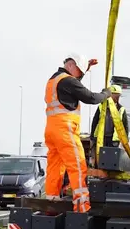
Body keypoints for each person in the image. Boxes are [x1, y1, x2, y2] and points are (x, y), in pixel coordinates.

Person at [44, 53, 111, 212]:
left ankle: (52, 198)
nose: (80, 75)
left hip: (51, 129)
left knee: (55, 164)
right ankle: (82, 206)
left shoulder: (54, 80)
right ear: (71, 65)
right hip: (65, 130)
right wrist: (106, 94)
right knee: (78, 165)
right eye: (79, 71)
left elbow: (73, 87)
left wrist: (85, 69)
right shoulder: (68, 81)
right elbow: (91, 98)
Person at [90, 84, 128, 148]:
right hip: (101, 138)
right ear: (110, 95)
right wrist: (92, 137)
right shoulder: (101, 107)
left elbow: (125, 126)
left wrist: (126, 140)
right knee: (101, 157)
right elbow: (95, 122)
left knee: (112, 157)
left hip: (114, 141)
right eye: (116, 95)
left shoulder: (121, 109)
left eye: (119, 95)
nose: (118, 97)